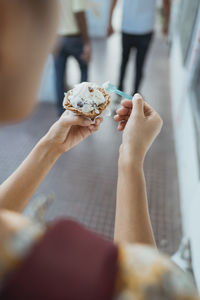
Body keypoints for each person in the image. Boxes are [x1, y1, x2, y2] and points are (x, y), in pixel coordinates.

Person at [0, 0, 198, 299]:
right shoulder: (165, 286)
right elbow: (143, 279)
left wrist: (50, 147)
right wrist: (131, 160)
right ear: (8, 22)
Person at [107, 0, 171, 95]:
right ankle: (135, 93)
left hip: (128, 26)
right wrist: (166, 23)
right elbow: (166, 2)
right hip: (145, 28)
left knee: (124, 60)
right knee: (139, 64)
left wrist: (109, 21)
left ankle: (120, 90)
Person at [54, 0, 91, 115]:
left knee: (59, 75)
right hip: (75, 38)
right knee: (84, 69)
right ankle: (81, 108)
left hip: (58, 38)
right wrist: (87, 43)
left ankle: (61, 111)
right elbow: (79, 14)